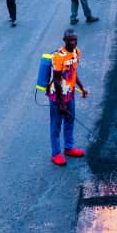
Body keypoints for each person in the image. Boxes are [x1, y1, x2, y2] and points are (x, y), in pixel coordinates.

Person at [48, 28, 88, 166]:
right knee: (56, 125)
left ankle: (69, 148)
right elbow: (57, 80)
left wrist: (81, 87)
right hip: (58, 96)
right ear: (64, 40)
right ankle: (55, 153)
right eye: (70, 39)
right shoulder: (59, 57)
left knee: (70, 121)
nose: (73, 42)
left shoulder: (77, 52)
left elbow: (73, 72)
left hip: (70, 93)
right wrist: (61, 102)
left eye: (75, 39)